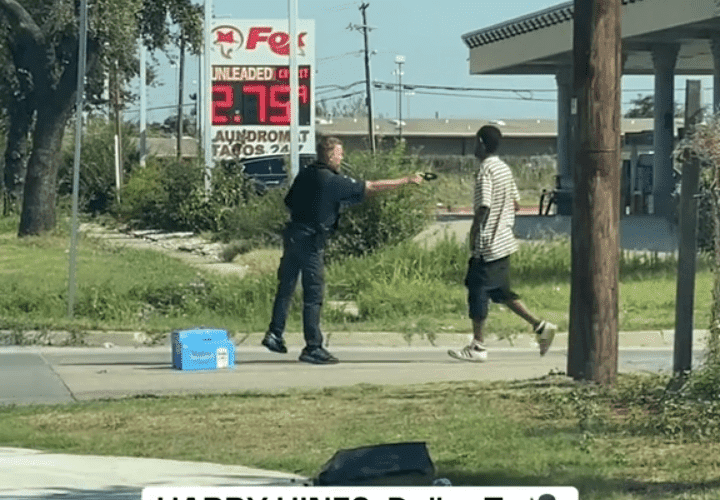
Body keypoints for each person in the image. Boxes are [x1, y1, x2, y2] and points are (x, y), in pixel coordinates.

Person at [262, 136, 424, 364]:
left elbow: (289, 202)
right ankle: (313, 347)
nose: (342, 157)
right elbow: (371, 187)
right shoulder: (331, 180)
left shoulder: (306, 174)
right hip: (311, 241)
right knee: (313, 294)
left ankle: (274, 333)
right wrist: (406, 180)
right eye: (339, 153)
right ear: (329, 155)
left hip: (292, 236)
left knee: (286, 287)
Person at [448, 125, 557, 362]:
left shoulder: (485, 170)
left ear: (481, 143)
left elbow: (484, 204)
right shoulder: (504, 169)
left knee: (477, 290)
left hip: (488, 243)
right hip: (504, 241)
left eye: (476, 143)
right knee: (500, 291)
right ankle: (541, 327)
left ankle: (477, 346)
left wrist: (475, 230)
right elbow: (516, 203)